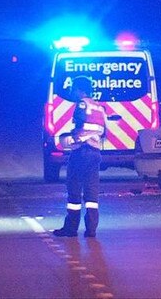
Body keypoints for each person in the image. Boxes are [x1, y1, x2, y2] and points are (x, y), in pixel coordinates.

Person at [53, 76, 106, 238]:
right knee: (91, 193)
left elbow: (80, 126)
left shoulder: (82, 104)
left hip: (81, 152)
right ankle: (91, 229)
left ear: (80, 90)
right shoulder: (100, 107)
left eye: (74, 89)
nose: (72, 92)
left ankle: (71, 228)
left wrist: (71, 139)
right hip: (95, 153)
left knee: (74, 189)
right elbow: (104, 132)